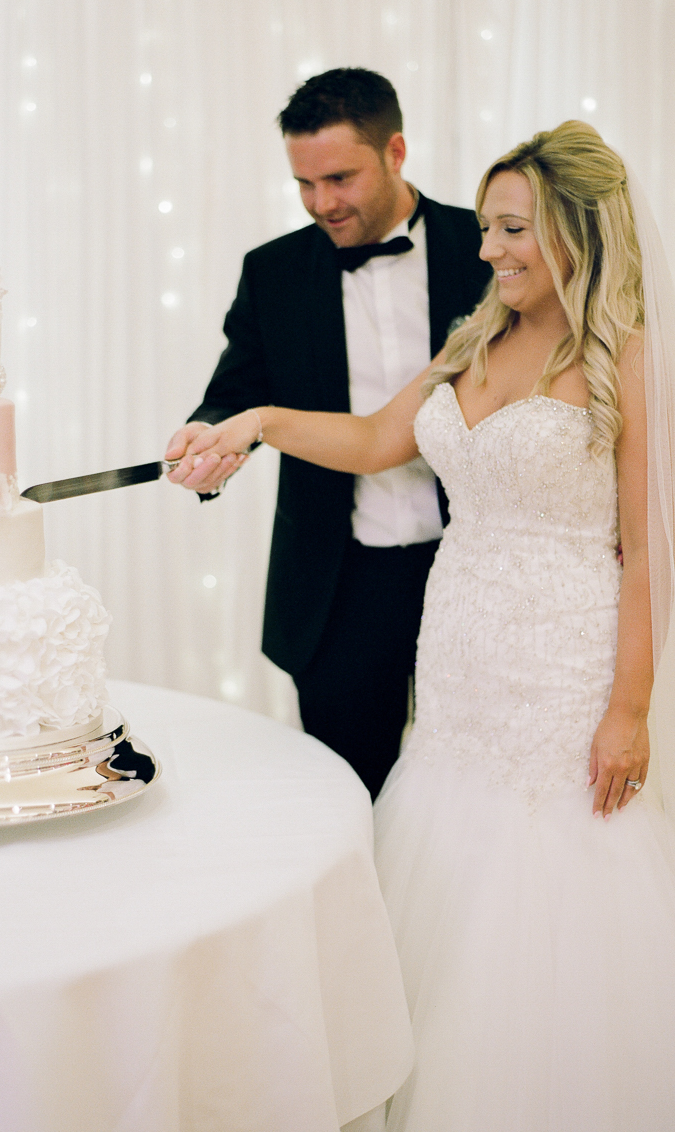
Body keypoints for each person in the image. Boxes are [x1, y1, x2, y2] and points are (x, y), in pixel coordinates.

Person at [169, 121, 675, 1129]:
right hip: (457, 662)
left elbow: (645, 551)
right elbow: (368, 441)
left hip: (561, 662)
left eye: (511, 229)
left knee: (547, 880)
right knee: (442, 850)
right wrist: (259, 423)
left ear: (577, 231)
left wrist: (628, 707)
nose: (488, 250)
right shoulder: (477, 337)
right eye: (487, 228)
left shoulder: (628, 357)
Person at [166, 69, 490, 798]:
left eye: (339, 178)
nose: (322, 203)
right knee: (349, 797)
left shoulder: (487, 247)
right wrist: (209, 438)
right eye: (304, 184)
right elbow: (233, 396)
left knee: (475, 795)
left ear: (396, 151)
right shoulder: (273, 272)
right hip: (338, 583)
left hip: (473, 562)